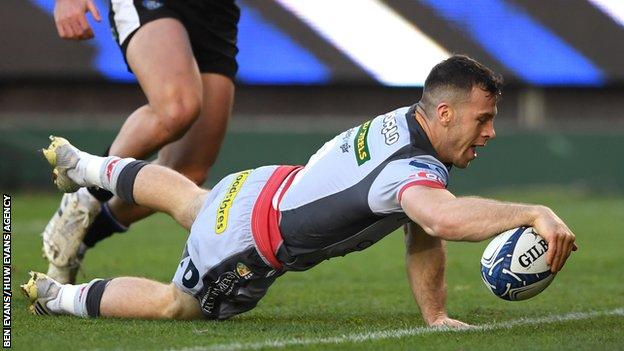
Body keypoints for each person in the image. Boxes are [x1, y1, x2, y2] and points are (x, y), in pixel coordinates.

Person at [23, 56, 577, 325]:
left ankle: (87, 164)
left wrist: (434, 317)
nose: (491, 132)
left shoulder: (412, 124)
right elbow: (442, 222)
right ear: (446, 112)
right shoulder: (412, 167)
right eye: (483, 119)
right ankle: (55, 298)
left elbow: (422, 230)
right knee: (179, 305)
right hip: (251, 242)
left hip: (263, 185)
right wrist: (533, 211)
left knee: (191, 200)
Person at [43, 0, 240, 284]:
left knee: (185, 172)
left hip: (214, 11)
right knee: (176, 108)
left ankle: (78, 238)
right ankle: (81, 197)